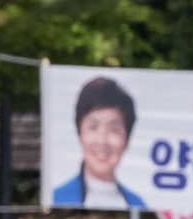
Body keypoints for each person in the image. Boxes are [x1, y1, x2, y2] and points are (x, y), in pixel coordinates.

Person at [48, 76, 146, 208]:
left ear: (126, 139)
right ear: (79, 132)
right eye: (93, 127)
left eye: (114, 130)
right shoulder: (55, 200)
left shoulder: (139, 205)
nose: (102, 141)